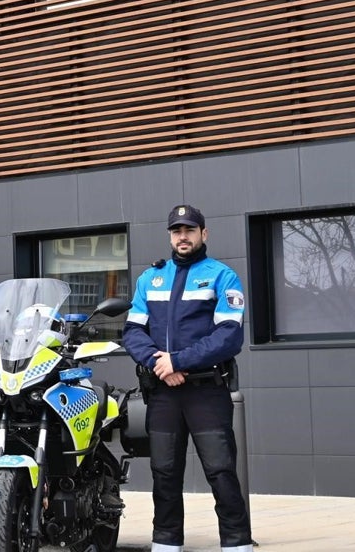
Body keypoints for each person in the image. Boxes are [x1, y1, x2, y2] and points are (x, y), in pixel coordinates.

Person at [122, 204, 252, 552]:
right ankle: (166, 544)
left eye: (190, 230)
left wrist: (178, 361)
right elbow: (133, 331)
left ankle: (236, 544)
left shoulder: (222, 276)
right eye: (177, 231)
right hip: (163, 393)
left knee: (221, 472)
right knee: (164, 475)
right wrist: (158, 363)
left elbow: (229, 335)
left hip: (206, 392)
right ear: (170, 236)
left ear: (203, 234)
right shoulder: (150, 278)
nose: (183, 236)